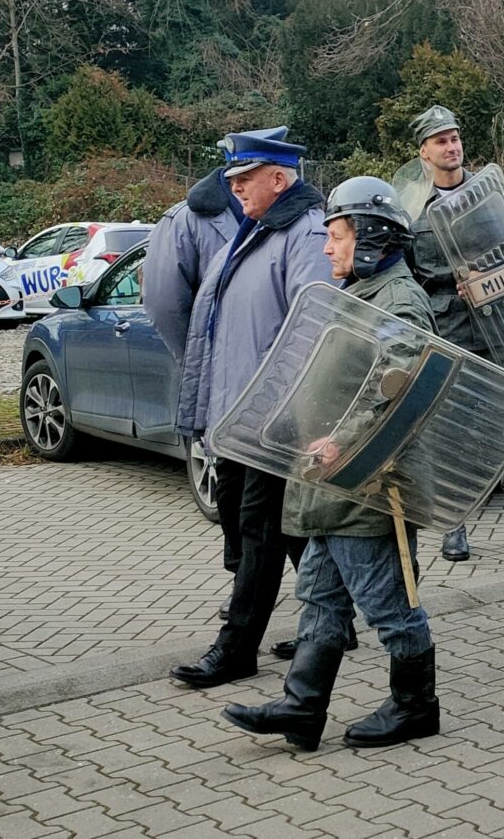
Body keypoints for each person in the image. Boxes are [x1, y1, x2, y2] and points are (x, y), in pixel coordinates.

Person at [222, 176, 441, 750]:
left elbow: (397, 383)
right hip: (330, 490)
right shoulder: (365, 293)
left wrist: (339, 441)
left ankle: (417, 706)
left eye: (337, 236)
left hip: (368, 487)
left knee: (390, 606)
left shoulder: (399, 300)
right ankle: (302, 708)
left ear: (369, 236)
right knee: (320, 599)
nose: (327, 247)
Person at [170, 128, 336, 689]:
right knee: (280, 530)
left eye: (244, 178)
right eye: (233, 178)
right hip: (242, 418)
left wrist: (276, 414)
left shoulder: (304, 233)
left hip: (272, 418)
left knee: (259, 530)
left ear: (278, 178)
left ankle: (237, 649)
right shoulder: (259, 230)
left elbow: (311, 333)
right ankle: (335, 621)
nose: (234, 188)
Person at [405, 104, 504, 565]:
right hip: (451, 328)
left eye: (455, 138)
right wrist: (452, 286)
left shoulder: (489, 197)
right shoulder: (411, 212)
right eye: (441, 141)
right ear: (423, 152)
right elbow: (410, 279)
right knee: (452, 427)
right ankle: (453, 525)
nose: (451, 147)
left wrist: (493, 278)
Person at [144, 137, 253, 621]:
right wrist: (201, 358)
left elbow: (164, 302)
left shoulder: (279, 216)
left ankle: (262, 599)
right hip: (239, 381)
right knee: (244, 490)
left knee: (246, 493)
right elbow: (165, 303)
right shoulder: (187, 219)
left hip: (245, 383)